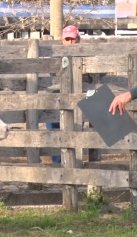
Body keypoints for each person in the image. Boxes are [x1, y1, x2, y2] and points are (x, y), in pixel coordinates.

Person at [47, 24, 83, 164]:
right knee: (55, 130)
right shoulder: (55, 57)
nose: (70, 42)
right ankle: (58, 164)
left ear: (78, 40)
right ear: (62, 40)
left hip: (78, 100)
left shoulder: (85, 56)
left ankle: (76, 162)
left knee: (76, 130)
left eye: (73, 39)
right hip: (57, 100)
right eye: (67, 39)